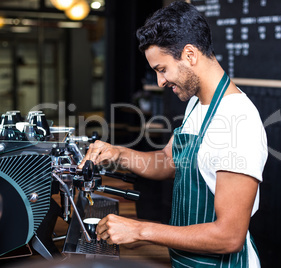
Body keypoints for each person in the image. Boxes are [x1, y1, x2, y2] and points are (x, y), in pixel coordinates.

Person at [78, 1, 268, 267]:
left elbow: (229, 236)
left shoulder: (237, 121)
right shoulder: (197, 103)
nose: (160, 82)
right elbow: (169, 161)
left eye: (162, 69)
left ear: (190, 55)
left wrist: (140, 230)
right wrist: (118, 153)